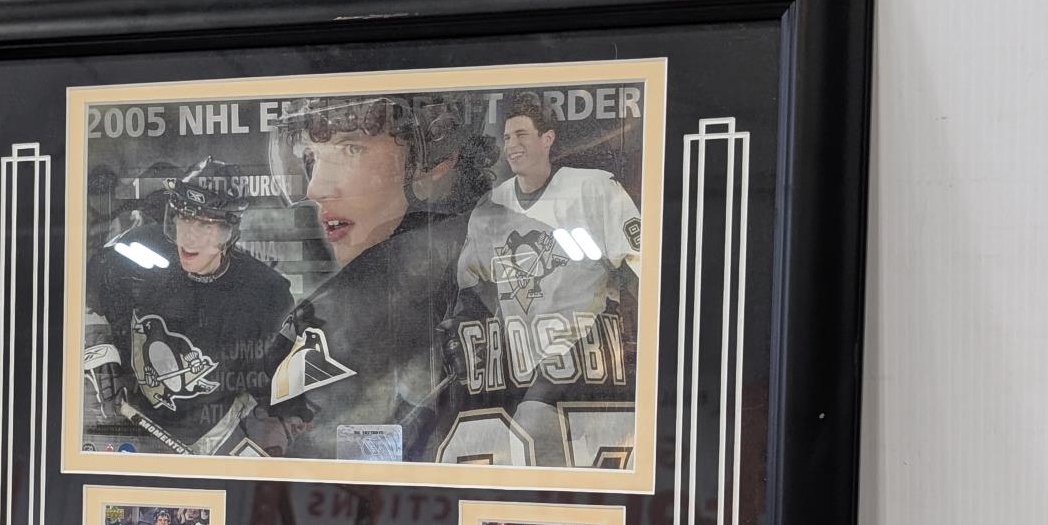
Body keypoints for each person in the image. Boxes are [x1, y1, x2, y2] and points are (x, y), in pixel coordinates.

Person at [249, 93, 497, 459]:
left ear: (439, 159)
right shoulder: (517, 265)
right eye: (312, 157)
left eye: (351, 150)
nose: (316, 188)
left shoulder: (344, 312)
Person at [446, 91, 643, 467]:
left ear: (547, 139)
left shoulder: (594, 188)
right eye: (507, 137)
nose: (512, 145)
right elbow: (472, 290)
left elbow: (642, 266)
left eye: (522, 134)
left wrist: (649, 347)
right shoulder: (491, 207)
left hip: (582, 350)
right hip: (518, 359)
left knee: (531, 434)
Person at [85, 158, 293, 454]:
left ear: (229, 229)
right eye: (184, 217)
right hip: (128, 424)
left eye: (205, 224)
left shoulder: (267, 293)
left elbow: (271, 387)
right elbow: (83, 301)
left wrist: (264, 429)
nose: (189, 236)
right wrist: (100, 350)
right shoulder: (134, 250)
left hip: (212, 438)